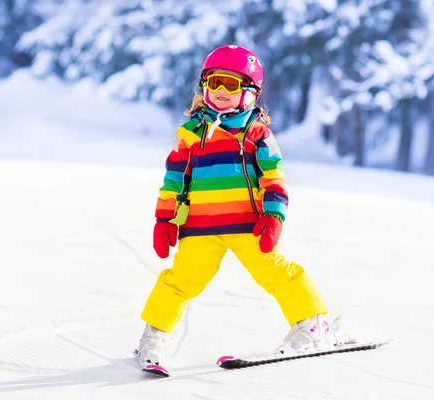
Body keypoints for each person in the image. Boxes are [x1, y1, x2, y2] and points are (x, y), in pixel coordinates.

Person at [136, 45, 337, 367]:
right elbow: (173, 180)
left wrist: (274, 217)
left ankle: (313, 326)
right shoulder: (189, 135)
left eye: (230, 84)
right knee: (179, 281)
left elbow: (274, 179)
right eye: (213, 83)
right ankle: (153, 338)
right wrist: (165, 219)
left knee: (278, 274)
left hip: (247, 225)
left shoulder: (258, 135)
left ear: (251, 92)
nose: (219, 91)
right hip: (200, 228)